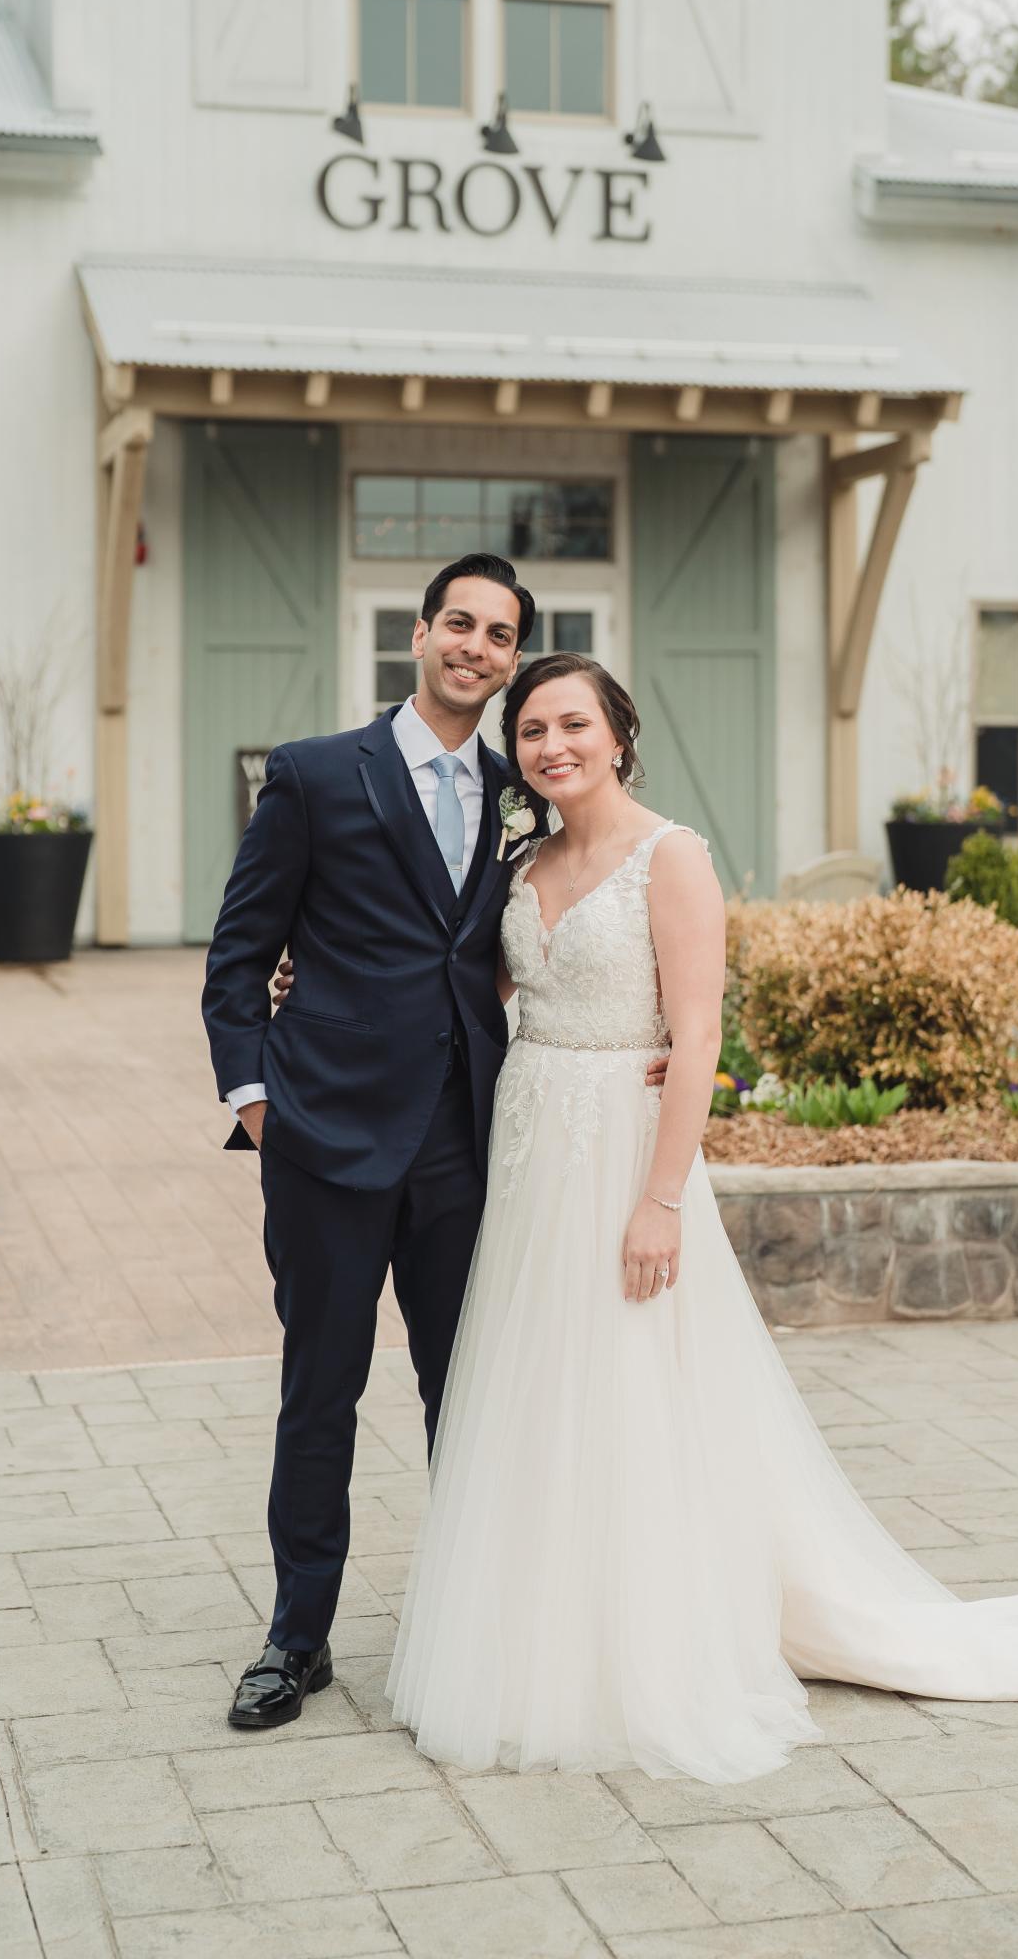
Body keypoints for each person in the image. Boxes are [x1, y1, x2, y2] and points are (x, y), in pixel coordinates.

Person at [386, 652, 1018, 1781]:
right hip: (534, 1151)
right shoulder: (522, 858)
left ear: (619, 734)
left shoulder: (670, 859)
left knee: (633, 1384)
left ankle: (648, 1637)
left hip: (627, 1158)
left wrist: (662, 1202)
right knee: (542, 1385)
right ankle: (544, 1619)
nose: (550, 746)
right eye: (530, 731)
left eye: (572, 723)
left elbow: (702, 1035)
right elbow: (480, 990)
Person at [200, 561, 667, 1731]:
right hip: (327, 1142)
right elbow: (238, 955)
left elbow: (601, 918)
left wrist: (651, 1047)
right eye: (459, 622)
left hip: (470, 1148)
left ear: (515, 659)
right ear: (421, 633)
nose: (476, 646)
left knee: (471, 1393)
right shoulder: (313, 775)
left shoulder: (528, 792)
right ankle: (295, 1636)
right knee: (322, 1393)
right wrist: (260, 1101)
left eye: (500, 634)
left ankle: (481, 1623)